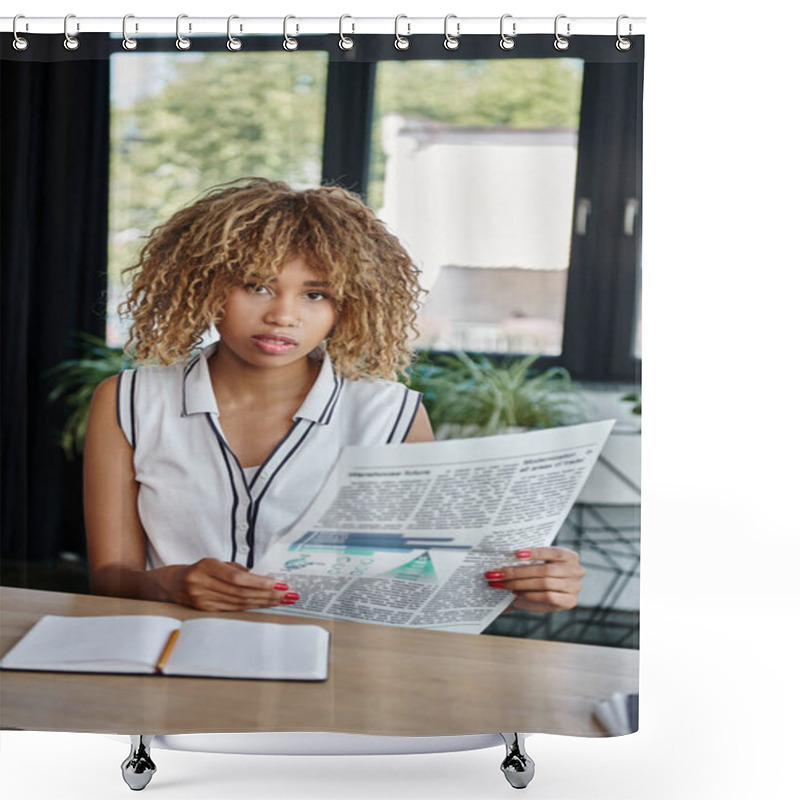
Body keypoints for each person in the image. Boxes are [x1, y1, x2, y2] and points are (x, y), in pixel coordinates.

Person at [84, 178, 585, 619]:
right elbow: (110, 575)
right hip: (173, 655)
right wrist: (166, 583)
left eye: (315, 294)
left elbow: (423, 571)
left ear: (348, 305)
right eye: (257, 286)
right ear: (206, 286)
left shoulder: (391, 415)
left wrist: (525, 589)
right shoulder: (127, 402)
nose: (284, 315)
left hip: (339, 665)